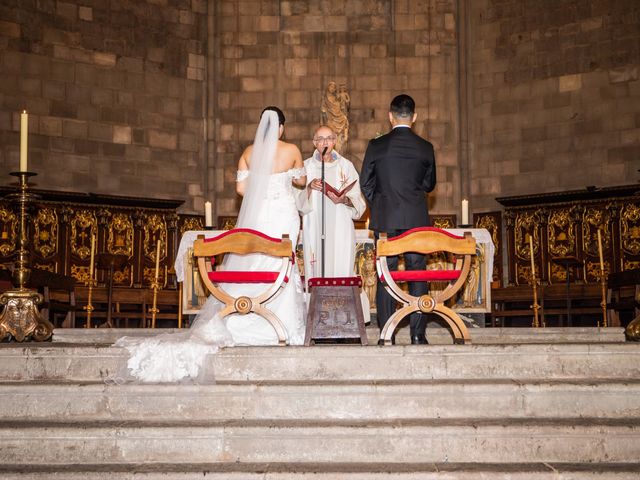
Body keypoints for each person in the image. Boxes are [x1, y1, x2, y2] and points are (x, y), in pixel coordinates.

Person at [114, 107, 307, 382]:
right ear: (281, 128)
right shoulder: (291, 149)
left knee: (251, 259)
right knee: (279, 261)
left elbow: (242, 190)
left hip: (259, 215)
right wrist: (287, 179)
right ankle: (279, 323)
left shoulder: (249, 153)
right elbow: (300, 180)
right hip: (284, 215)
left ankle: (239, 319)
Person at [359, 94, 436, 345]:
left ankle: (386, 333)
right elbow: (429, 184)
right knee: (417, 273)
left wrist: (380, 202)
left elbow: (365, 182)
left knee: (386, 275)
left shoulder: (376, 145)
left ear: (390, 116)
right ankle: (417, 334)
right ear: (414, 117)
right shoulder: (426, 147)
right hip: (416, 218)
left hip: (385, 218)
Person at [302, 125, 367, 282]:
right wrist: (309, 188)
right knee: (317, 266)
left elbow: (359, 201)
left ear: (335, 141)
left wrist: (343, 199)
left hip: (341, 225)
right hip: (315, 225)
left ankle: (340, 305)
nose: (325, 142)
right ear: (314, 142)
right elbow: (295, 199)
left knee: (340, 266)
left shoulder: (346, 166)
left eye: (329, 138)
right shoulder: (306, 167)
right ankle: (317, 305)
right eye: (321, 139)